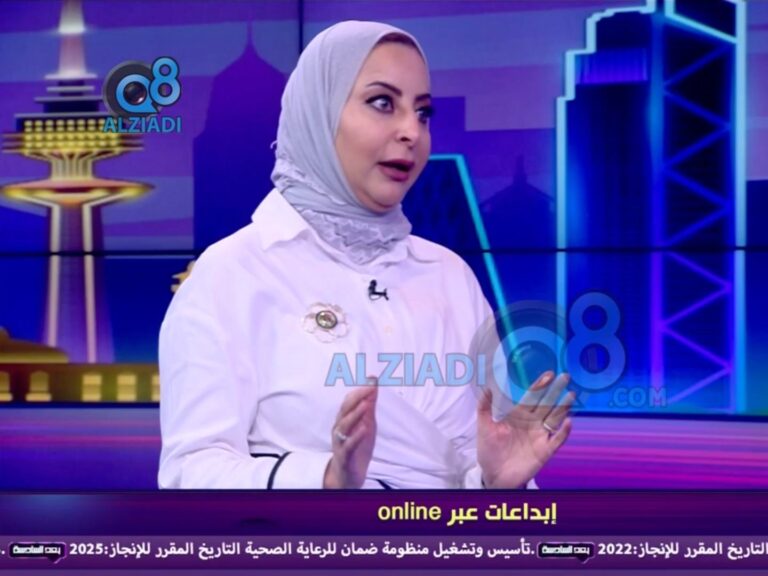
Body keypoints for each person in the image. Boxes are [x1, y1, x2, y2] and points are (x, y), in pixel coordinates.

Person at [157, 21, 574, 490]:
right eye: (382, 103)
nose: (411, 131)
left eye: (423, 112)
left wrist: (498, 485)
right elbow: (188, 474)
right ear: (319, 114)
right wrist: (326, 481)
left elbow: (486, 462)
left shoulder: (450, 276)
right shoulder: (231, 274)